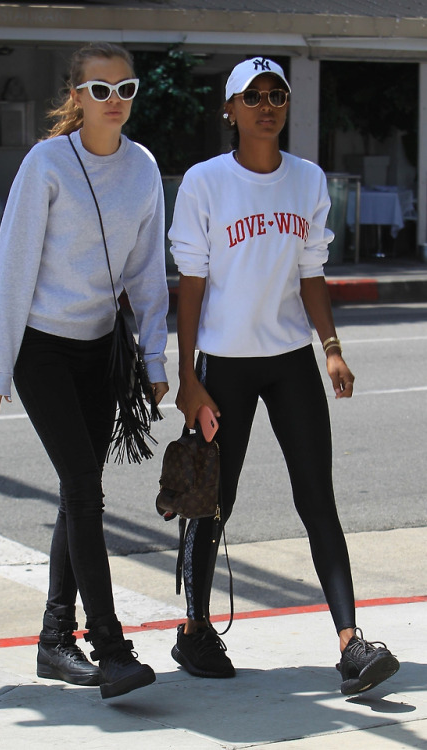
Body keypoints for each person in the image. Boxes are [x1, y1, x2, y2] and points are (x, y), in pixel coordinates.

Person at [168, 56, 399, 695]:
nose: (267, 104)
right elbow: (191, 285)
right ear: (230, 109)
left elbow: (310, 272)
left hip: (290, 358)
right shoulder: (204, 182)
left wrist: (331, 347)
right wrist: (188, 376)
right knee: (212, 498)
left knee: (315, 496)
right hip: (225, 364)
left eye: (278, 94)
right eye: (254, 95)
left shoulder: (307, 180)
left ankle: (351, 644)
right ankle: (194, 630)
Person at [0, 42, 169, 699]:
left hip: (101, 350)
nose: (114, 101)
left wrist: (154, 356)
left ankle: (55, 641)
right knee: (84, 487)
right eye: (100, 90)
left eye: (126, 90)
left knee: (79, 491)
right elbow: (13, 263)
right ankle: (109, 647)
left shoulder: (144, 169)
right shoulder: (46, 164)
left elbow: (147, 274)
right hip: (43, 350)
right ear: (75, 96)